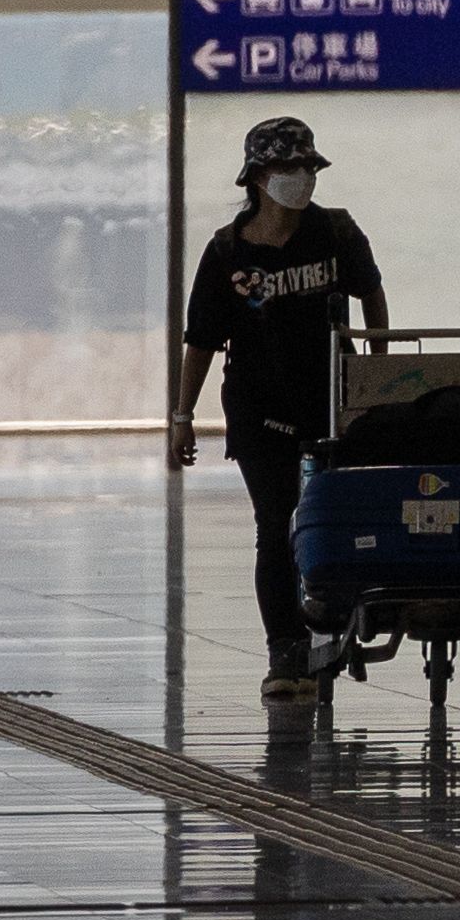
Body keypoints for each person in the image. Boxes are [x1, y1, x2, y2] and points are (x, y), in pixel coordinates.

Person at [169, 114, 386, 699]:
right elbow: (202, 340)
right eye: (287, 168)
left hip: (332, 402)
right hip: (257, 406)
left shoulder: (336, 233)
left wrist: (375, 369)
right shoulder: (227, 251)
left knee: (335, 514)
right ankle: (284, 650)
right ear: (258, 177)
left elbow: (371, 295)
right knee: (274, 522)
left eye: (307, 167)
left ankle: (333, 615)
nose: (300, 178)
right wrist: (183, 416)